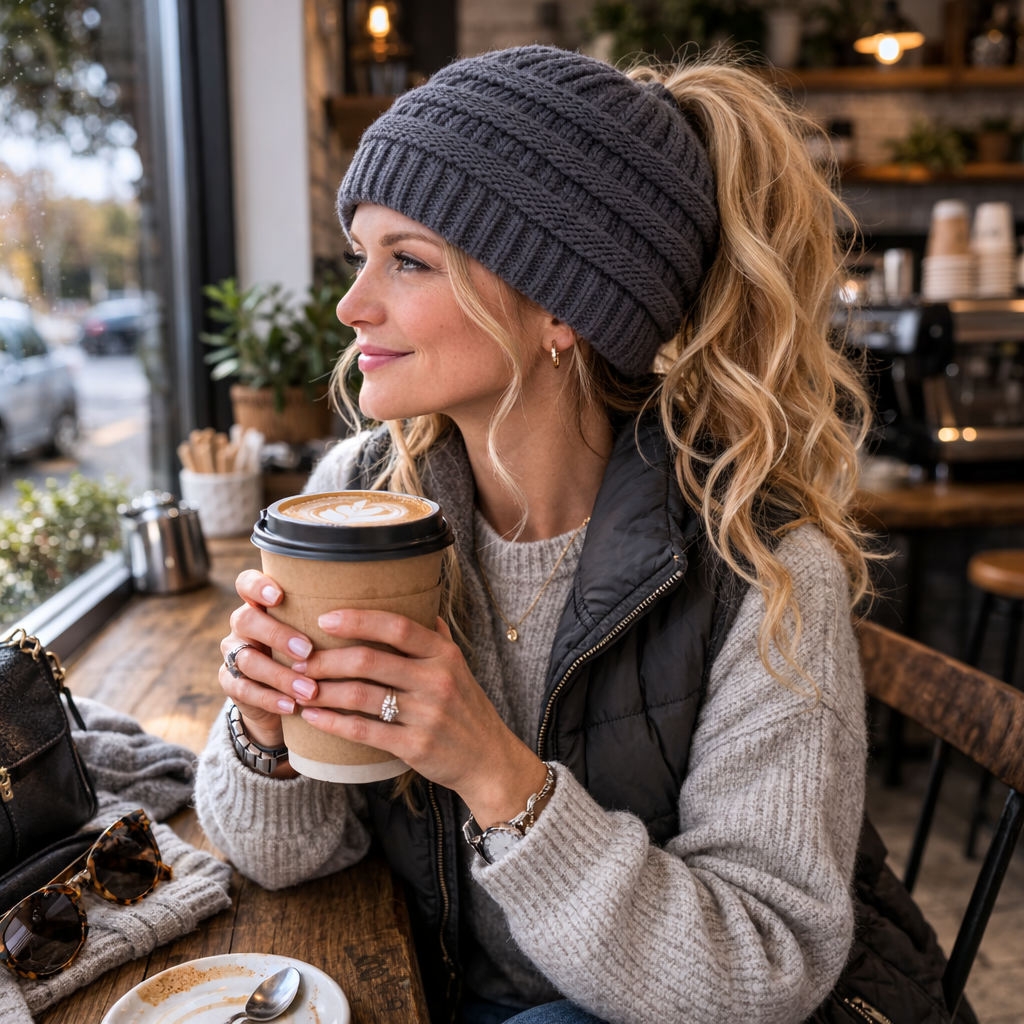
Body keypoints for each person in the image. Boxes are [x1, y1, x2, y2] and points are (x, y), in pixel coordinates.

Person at [195, 47, 873, 1024]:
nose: (352, 307)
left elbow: (764, 970)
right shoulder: (358, 496)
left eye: (409, 260)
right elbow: (284, 858)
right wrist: (263, 728)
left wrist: (494, 773)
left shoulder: (758, 572)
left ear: (561, 303)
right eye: (361, 255)